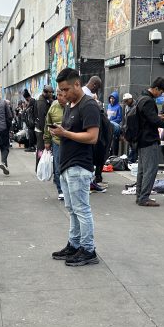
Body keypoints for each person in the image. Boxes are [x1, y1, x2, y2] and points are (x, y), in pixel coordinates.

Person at [49, 68, 101, 266]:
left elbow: (92, 137)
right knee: (72, 209)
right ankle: (74, 244)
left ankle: (88, 250)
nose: (63, 94)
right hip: (67, 165)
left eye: (66, 89)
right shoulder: (71, 105)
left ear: (77, 84)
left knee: (81, 209)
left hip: (79, 166)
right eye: (61, 90)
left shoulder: (88, 105)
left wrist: (66, 134)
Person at [134, 77, 164, 207]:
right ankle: (144, 198)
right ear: (156, 89)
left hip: (140, 139)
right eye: (160, 92)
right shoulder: (149, 101)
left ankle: (139, 196)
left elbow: (148, 118)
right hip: (149, 139)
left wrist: (156, 117)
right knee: (150, 170)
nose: (160, 95)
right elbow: (154, 121)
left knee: (142, 170)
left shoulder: (141, 98)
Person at [43, 91, 67, 200]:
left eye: (62, 95)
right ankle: (60, 190)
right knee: (57, 167)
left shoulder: (73, 106)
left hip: (71, 142)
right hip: (57, 142)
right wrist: (47, 141)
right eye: (58, 95)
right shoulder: (53, 107)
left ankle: (68, 189)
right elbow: (47, 124)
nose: (60, 98)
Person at [34, 85, 54, 169]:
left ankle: (39, 166)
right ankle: (39, 166)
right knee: (41, 148)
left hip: (39, 128)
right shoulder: (42, 102)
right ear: (47, 92)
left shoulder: (43, 100)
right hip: (41, 129)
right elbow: (42, 118)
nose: (52, 94)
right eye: (51, 93)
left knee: (41, 148)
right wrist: (44, 132)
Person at [105, 91, 123, 156]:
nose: (111, 100)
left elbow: (119, 118)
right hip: (108, 126)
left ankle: (114, 155)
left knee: (115, 143)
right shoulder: (109, 106)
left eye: (113, 98)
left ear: (116, 99)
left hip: (115, 127)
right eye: (110, 98)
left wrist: (111, 122)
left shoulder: (119, 107)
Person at [121, 93, 137, 163]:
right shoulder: (126, 106)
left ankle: (132, 160)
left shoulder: (136, 106)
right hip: (127, 128)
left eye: (126, 101)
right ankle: (131, 159)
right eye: (124, 101)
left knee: (134, 147)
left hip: (133, 129)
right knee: (131, 146)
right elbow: (124, 118)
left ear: (131, 99)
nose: (125, 102)